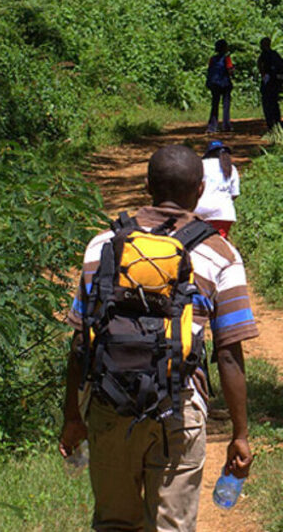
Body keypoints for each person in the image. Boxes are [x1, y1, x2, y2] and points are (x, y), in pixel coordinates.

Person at [59, 144, 255, 532]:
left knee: (114, 523)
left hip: (110, 405)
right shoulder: (221, 253)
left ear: (147, 185)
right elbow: (229, 353)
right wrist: (240, 434)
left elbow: (81, 343)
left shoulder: (103, 246)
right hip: (179, 407)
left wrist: (72, 416)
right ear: (200, 190)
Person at [195, 140, 240, 239]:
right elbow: (235, 193)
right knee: (219, 243)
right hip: (223, 214)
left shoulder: (201, 165)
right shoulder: (231, 168)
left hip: (200, 211)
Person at [206, 39, 234, 133]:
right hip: (225, 83)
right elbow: (230, 70)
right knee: (226, 105)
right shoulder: (227, 58)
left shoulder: (212, 59)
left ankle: (212, 127)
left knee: (215, 105)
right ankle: (226, 125)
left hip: (214, 83)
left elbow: (209, 70)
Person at [257, 37, 283, 133]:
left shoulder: (264, 56)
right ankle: (276, 123)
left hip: (269, 83)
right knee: (274, 103)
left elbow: (260, 67)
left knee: (268, 104)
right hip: (275, 83)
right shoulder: (275, 55)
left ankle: (271, 124)